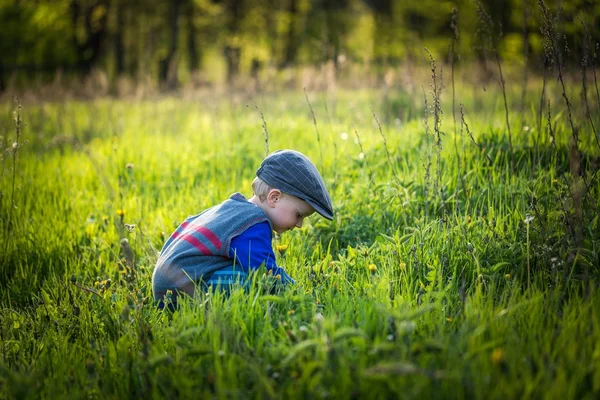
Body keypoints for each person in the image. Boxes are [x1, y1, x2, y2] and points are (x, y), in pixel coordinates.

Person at [152, 149, 333, 308]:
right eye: (298, 215)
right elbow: (266, 273)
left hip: (167, 285)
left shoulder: (232, 208)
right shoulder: (254, 224)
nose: (299, 224)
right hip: (180, 293)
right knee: (253, 282)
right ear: (274, 198)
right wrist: (301, 298)